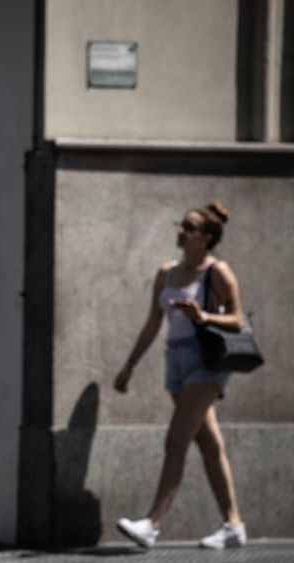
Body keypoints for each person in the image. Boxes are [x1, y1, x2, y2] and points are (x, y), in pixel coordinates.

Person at [114, 202, 246, 550]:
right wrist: (130, 365)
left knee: (176, 441)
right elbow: (153, 322)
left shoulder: (217, 271)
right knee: (209, 444)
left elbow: (237, 319)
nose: (181, 231)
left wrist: (203, 316)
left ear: (205, 238)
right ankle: (233, 524)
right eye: (181, 225)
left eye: (189, 227)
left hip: (206, 364)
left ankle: (152, 524)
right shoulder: (167, 272)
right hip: (176, 362)